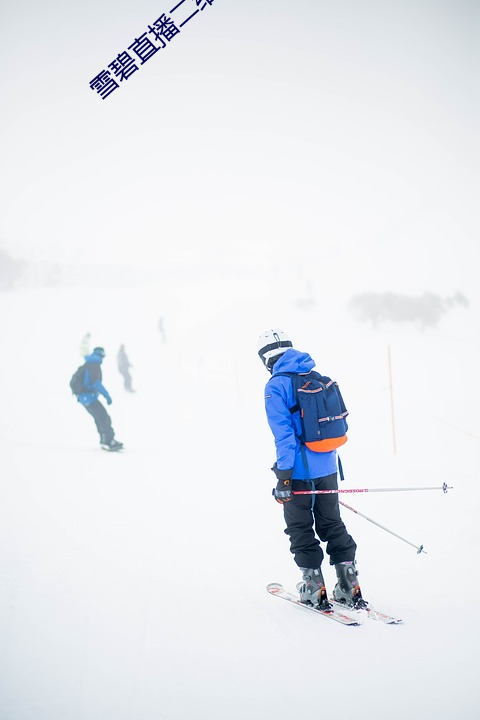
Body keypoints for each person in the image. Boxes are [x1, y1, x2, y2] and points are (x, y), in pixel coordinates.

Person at [258, 328, 366, 610]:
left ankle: (313, 588)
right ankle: (349, 585)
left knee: (300, 527)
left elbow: (284, 437)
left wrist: (284, 478)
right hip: (328, 466)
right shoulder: (315, 377)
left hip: (298, 472)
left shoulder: (275, 386)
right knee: (331, 523)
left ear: (266, 358)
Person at [76, 346, 123, 451]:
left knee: (100, 418)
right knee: (104, 418)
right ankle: (108, 441)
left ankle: (104, 440)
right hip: (89, 398)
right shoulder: (94, 365)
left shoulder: (89, 363)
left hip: (85, 398)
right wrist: (107, 396)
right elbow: (96, 383)